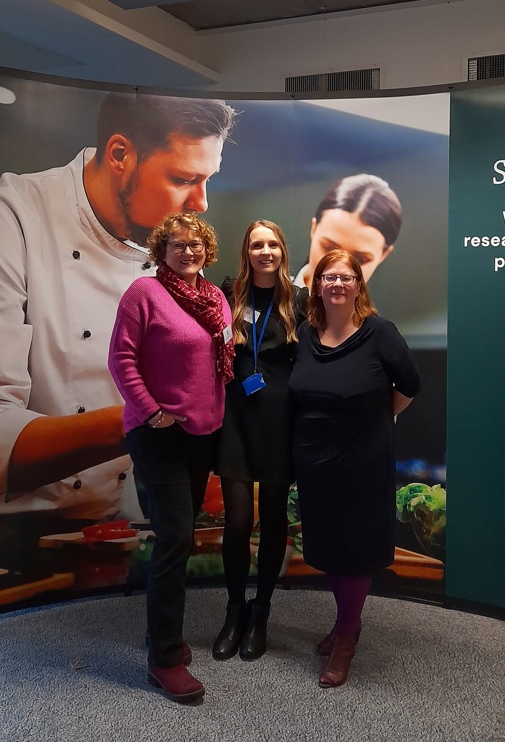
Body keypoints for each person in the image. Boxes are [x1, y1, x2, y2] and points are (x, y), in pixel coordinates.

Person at [0, 92, 236, 560]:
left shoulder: (167, 251)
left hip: (115, 534)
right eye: (183, 178)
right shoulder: (0, 222)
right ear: (120, 154)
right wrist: (157, 416)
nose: (201, 203)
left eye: (207, 180)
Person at [108, 212, 233, 704]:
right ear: (161, 249)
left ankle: (163, 632)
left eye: (197, 244)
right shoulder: (144, 294)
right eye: (178, 244)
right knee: (177, 537)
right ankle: (163, 658)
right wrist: (153, 411)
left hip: (202, 435)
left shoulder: (215, 298)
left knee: (179, 537)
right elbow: (122, 359)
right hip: (159, 434)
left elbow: (221, 357)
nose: (188, 251)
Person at [289, 249, 420, 688]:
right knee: (327, 548)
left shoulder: (380, 333)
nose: (337, 284)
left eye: (347, 277)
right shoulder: (306, 334)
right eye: (329, 277)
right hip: (314, 459)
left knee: (357, 549)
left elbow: (409, 387)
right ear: (317, 284)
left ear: (359, 285)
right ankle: (347, 621)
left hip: (364, 459)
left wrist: (378, 419)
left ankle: (346, 638)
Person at [212, 220, 308, 662]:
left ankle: (261, 610)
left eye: (272, 244)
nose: (265, 251)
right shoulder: (229, 294)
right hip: (235, 419)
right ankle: (234, 610)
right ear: (246, 251)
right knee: (235, 523)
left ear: (283, 250)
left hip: (280, 423)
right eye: (256, 244)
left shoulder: (300, 300)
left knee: (273, 523)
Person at [294, 173, 402, 289]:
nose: (338, 271)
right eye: (330, 249)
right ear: (314, 229)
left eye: (359, 259)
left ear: (383, 255)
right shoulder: (273, 296)